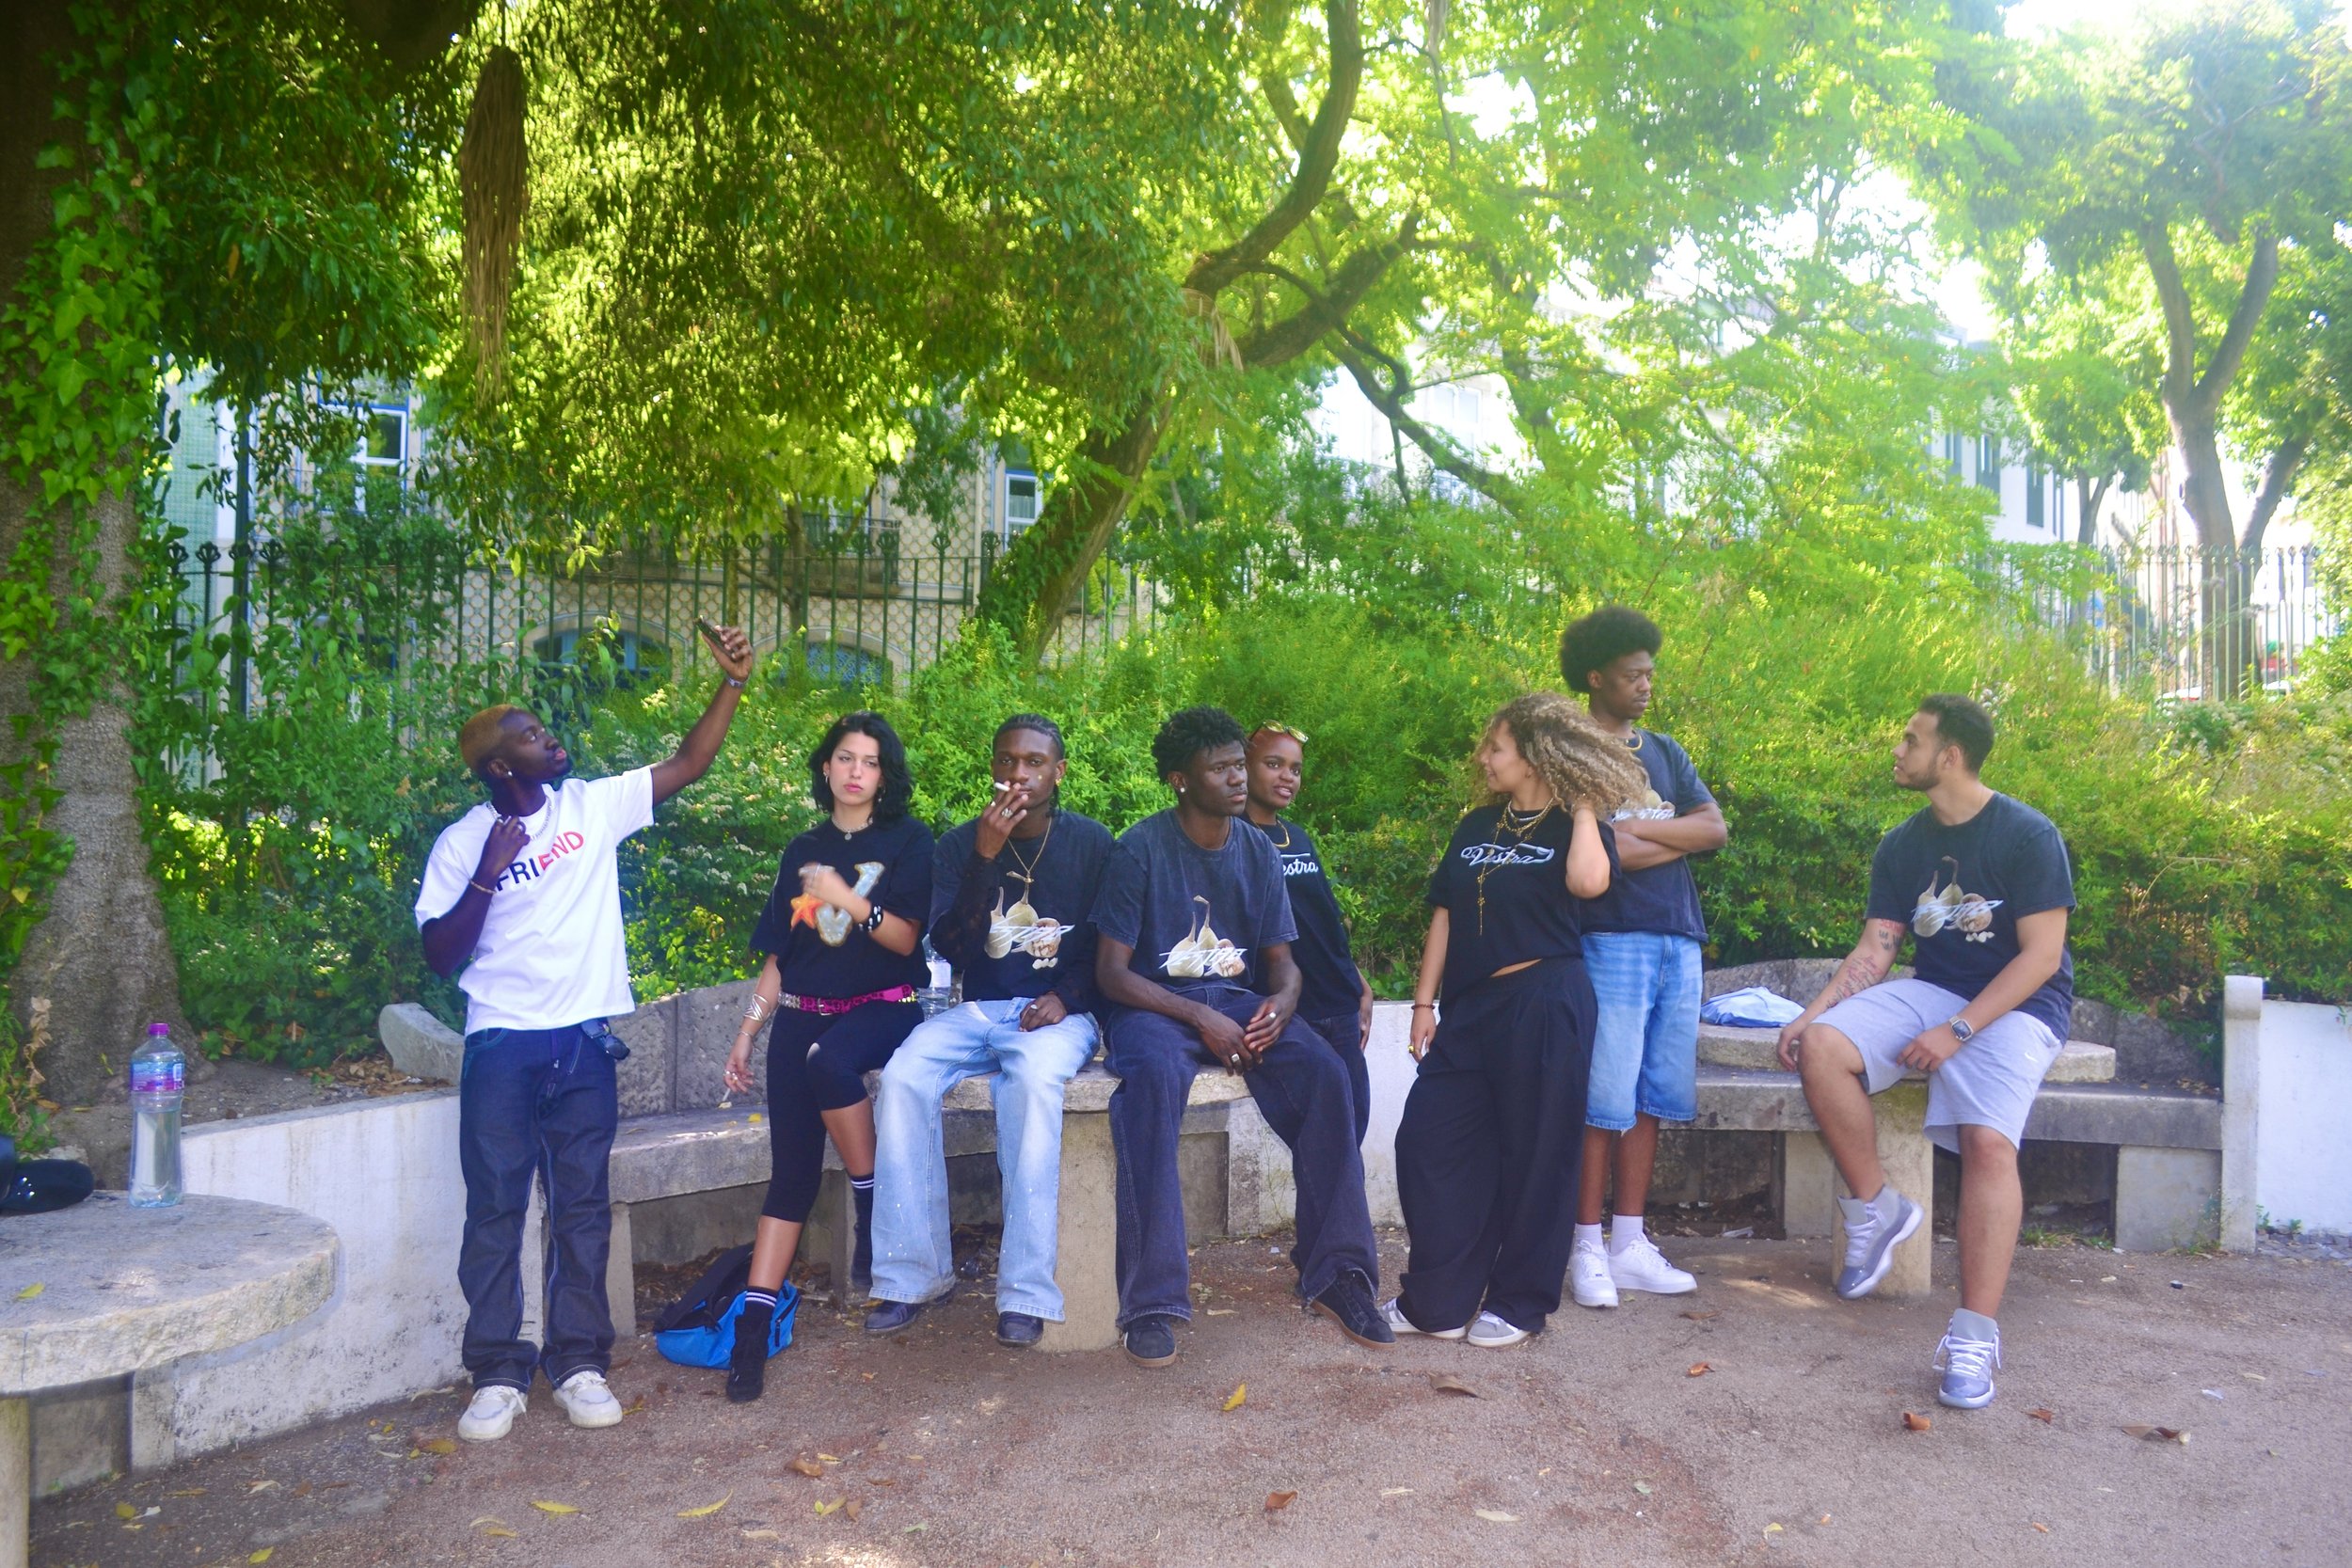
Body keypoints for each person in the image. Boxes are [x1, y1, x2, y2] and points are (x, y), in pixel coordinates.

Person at [417, 623, 755, 1445]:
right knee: (495, 1211)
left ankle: (577, 1362)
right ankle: (497, 1373)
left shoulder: (589, 806)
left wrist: (732, 682)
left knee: (581, 1207)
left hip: (580, 1043)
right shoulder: (462, 843)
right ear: (500, 767)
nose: (550, 739)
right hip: (501, 1044)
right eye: (531, 737)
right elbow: (440, 954)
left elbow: (689, 762)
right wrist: (489, 873)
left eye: (544, 729)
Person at [1774, 693, 2075, 1411]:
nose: (1897, 749)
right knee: (1823, 1046)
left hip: (2021, 1005)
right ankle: (1876, 1207)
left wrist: (1959, 1030)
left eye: (1911, 739)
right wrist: (1810, 1015)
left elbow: (2041, 957)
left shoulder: (2027, 835)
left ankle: (1972, 1337)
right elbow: (1876, 949)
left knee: (1987, 1143)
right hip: (1936, 991)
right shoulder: (1903, 844)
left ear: (1950, 755)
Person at [1092, 705, 1392, 1366]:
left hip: (1239, 1002)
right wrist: (1199, 1017)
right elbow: (1111, 973)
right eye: (1220, 767)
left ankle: (1337, 1274)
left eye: (1238, 764)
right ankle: (1151, 1302)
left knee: (1326, 1074)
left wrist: (1281, 1007)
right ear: (1180, 779)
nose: (1237, 778)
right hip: (1153, 1009)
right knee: (1151, 1083)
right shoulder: (1139, 849)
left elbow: (1284, 965)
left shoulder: (1258, 850)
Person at [1389, 692, 1643, 1348]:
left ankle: (1520, 1303)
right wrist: (1424, 1002)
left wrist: (1582, 803)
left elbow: (1589, 884)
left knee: (1538, 1156)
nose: (1483, 757)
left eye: (1495, 747)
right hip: (1471, 1008)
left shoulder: (1575, 827)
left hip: (1546, 1000)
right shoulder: (1477, 824)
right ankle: (1439, 1301)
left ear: (1534, 755)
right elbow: (1445, 912)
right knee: (1427, 1141)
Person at [866, 714, 1115, 1347]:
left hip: (1062, 1011)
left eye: (1034, 762)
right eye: (1007, 761)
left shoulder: (1092, 843)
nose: (1018, 774)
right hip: (980, 1008)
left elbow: (1111, 945)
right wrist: (984, 856)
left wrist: (1066, 997)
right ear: (993, 768)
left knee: (1030, 1083)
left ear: (1059, 772)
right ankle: (910, 1277)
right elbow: (952, 949)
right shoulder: (960, 845)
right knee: (903, 1077)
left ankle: (1025, 1293)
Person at [720, 711, 934, 1402]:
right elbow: (780, 958)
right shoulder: (802, 850)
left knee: (828, 1060)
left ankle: (870, 1215)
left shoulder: (908, 840)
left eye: (869, 761)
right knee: (790, 1177)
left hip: (885, 1007)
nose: (855, 771)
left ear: (884, 775)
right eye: (845, 757)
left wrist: (846, 897)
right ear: (826, 767)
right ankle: (751, 1333)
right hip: (802, 1014)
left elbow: (905, 940)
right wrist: (748, 1031)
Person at [1558, 607, 1727, 1308]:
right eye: (1633, 675)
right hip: (1609, 938)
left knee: (1652, 1094)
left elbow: (1714, 829)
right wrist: (1662, 836)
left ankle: (1629, 1241)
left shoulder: (1665, 750)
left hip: (1677, 939)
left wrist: (1636, 832)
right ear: (1596, 676)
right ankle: (1584, 1245)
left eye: (1651, 673)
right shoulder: (1570, 752)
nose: (1646, 685)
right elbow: (1599, 855)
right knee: (1603, 1097)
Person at [1243, 723, 1375, 1145]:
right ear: (1244, 765)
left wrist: (1359, 983)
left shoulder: (1296, 836)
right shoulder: (1232, 839)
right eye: (1274, 764)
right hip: (1290, 1011)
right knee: (1319, 1138)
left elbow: (1324, 920)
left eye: (1295, 769)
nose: (1287, 777)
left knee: (1352, 1125)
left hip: (1338, 1002)